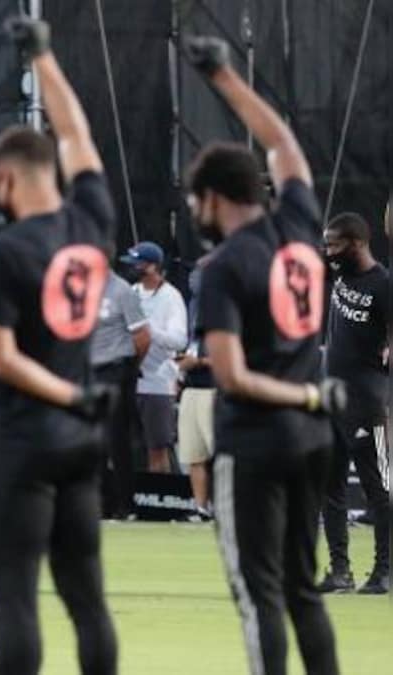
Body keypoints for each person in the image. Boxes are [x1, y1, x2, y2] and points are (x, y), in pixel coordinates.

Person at [186, 35, 342, 675]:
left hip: (255, 443)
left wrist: (304, 392)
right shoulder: (302, 227)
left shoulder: (222, 267)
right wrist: (222, 74)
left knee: (259, 597)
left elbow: (231, 375)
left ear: (215, 198)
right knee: (305, 591)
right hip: (312, 440)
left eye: (197, 201)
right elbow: (282, 142)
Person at [0, 18, 117, 674]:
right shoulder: (92, 221)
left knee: (16, 603)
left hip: (22, 437)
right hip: (79, 443)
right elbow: (78, 133)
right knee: (88, 600)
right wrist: (44, 55)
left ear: (4, 179)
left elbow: (2, 358)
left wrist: (68, 394)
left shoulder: (2, 251)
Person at [318, 212, 389, 595]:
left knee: (382, 489)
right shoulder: (339, 273)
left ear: (357, 244)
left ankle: (384, 570)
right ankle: (340, 571)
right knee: (330, 488)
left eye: (334, 244)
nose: (328, 251)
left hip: (370, 405)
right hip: (333, 401)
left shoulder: (384, 285)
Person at [121, 241, 187, 473]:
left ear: (152, 266)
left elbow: (179, 340)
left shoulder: (171, 297)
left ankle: (161, 500)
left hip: (157, 383)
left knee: (157, 448)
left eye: (137, 263)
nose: (132, 268)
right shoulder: (130, 293)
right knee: (129, 447)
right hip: (130, 380)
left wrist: (149, 330)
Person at [90, 270, 150, 519]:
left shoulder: (121, 290)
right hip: (89, 372)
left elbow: (143, 337)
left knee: (116, 440)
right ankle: (103, 505)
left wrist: (130, 369)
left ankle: (126, 506)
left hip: (116, 369)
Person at [175, 257, 216, 522]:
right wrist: (183, 368)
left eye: (201, 272)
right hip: (192, 386)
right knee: (193, 453)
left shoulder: (227, 308)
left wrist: (199, 362)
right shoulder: (194, 306)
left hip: (216, 388)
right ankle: (201, 508)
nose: (194, 278)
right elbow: (193, 345)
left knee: (220, 454)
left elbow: (238, 357)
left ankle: (229, 508)